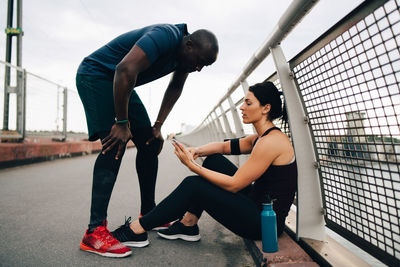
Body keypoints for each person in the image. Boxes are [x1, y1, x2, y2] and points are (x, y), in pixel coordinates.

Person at [76, 23, 219, 258]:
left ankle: (149, 214)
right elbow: (124, 69)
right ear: (189, 44)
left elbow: (175, 87)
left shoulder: (184, 58)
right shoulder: (165, 36)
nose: (199, 68)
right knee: (115, 144)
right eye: (200, 61)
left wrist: (158, 126)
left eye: (205, 65)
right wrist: (122, 123)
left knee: (150, 143)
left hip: (121, 82)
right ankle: (94, 232)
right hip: (96, 76)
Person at [111, 81, 298, 249]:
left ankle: (136, 230)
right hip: (257, 204)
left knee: (194, 184)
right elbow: (224, 146)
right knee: (214, 160)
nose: (241, 107)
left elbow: (235, 184)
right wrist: (196, 151)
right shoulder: (261, 137)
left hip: (264, 224)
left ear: (266, 108)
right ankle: (188, 224)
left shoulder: (270, 143)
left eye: (248, 103)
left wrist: (193, 166)